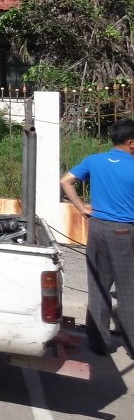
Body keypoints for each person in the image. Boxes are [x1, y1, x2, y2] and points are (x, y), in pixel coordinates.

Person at [60, 117, 134, 357]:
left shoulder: (95, 160)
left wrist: (81, 208)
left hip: (98, 228)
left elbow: (65, 180)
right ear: (131, 143)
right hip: (125, 231)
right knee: (128, 290)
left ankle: (98, 342)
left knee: (99, 285)